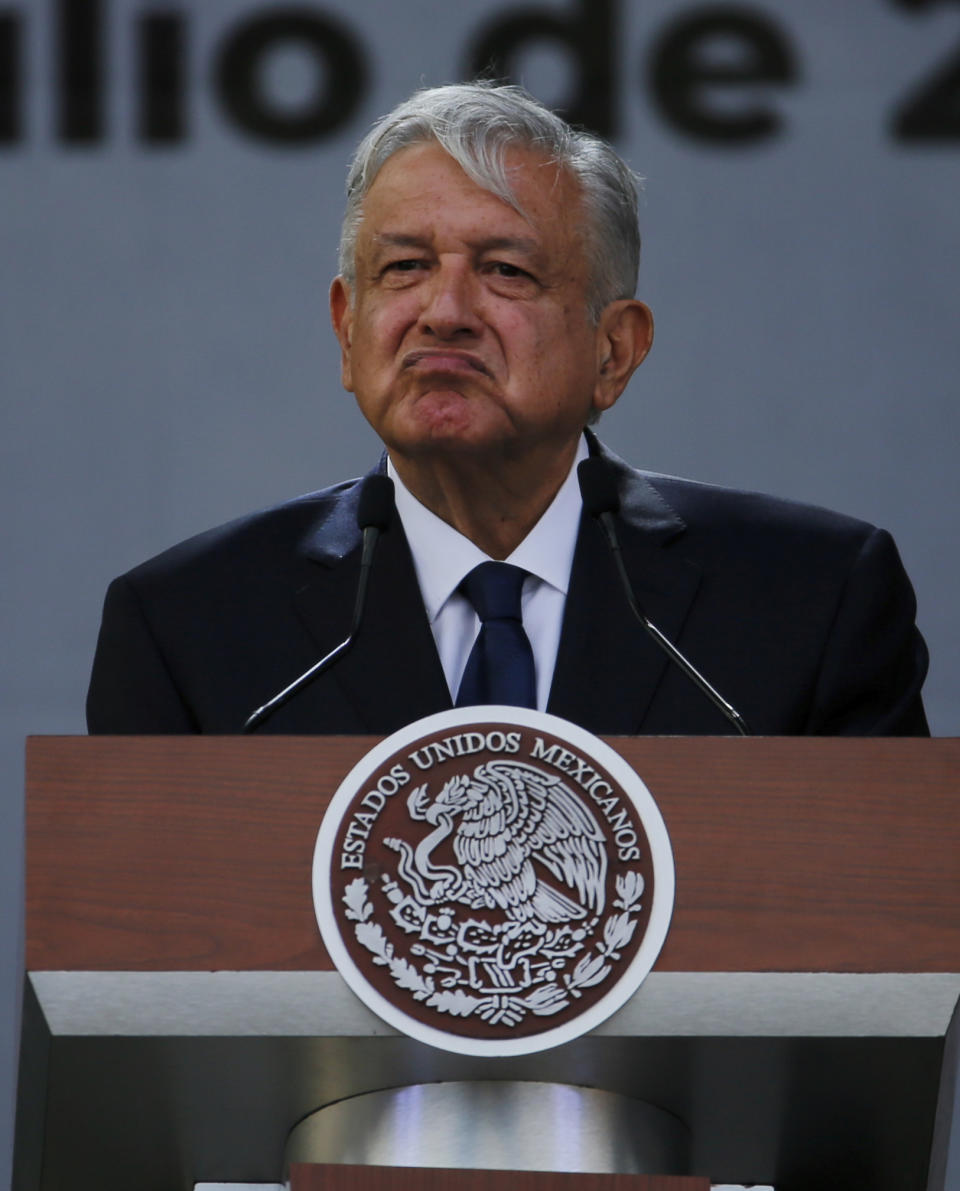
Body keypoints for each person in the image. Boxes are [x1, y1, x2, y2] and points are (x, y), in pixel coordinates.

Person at [86, 82, 928, 738]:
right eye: (405, 267)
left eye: (506, 271)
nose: (444, 311)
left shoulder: (811, 605)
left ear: (615, 350)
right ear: (348, 331)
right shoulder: (191, 629)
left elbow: (887, 941)